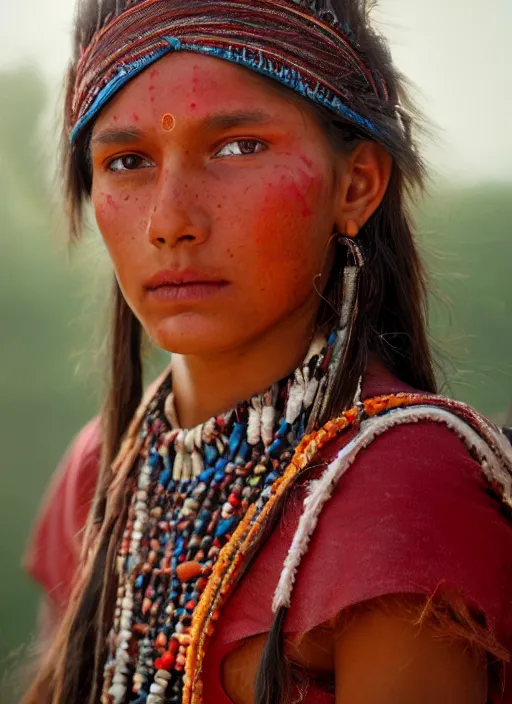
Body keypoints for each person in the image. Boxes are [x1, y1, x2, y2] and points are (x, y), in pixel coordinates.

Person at [22, 0, 512, 702]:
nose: (170, 222)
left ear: (357, 184)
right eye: (127, 161)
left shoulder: (401, 488)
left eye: (237, 147)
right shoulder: (100, 477)